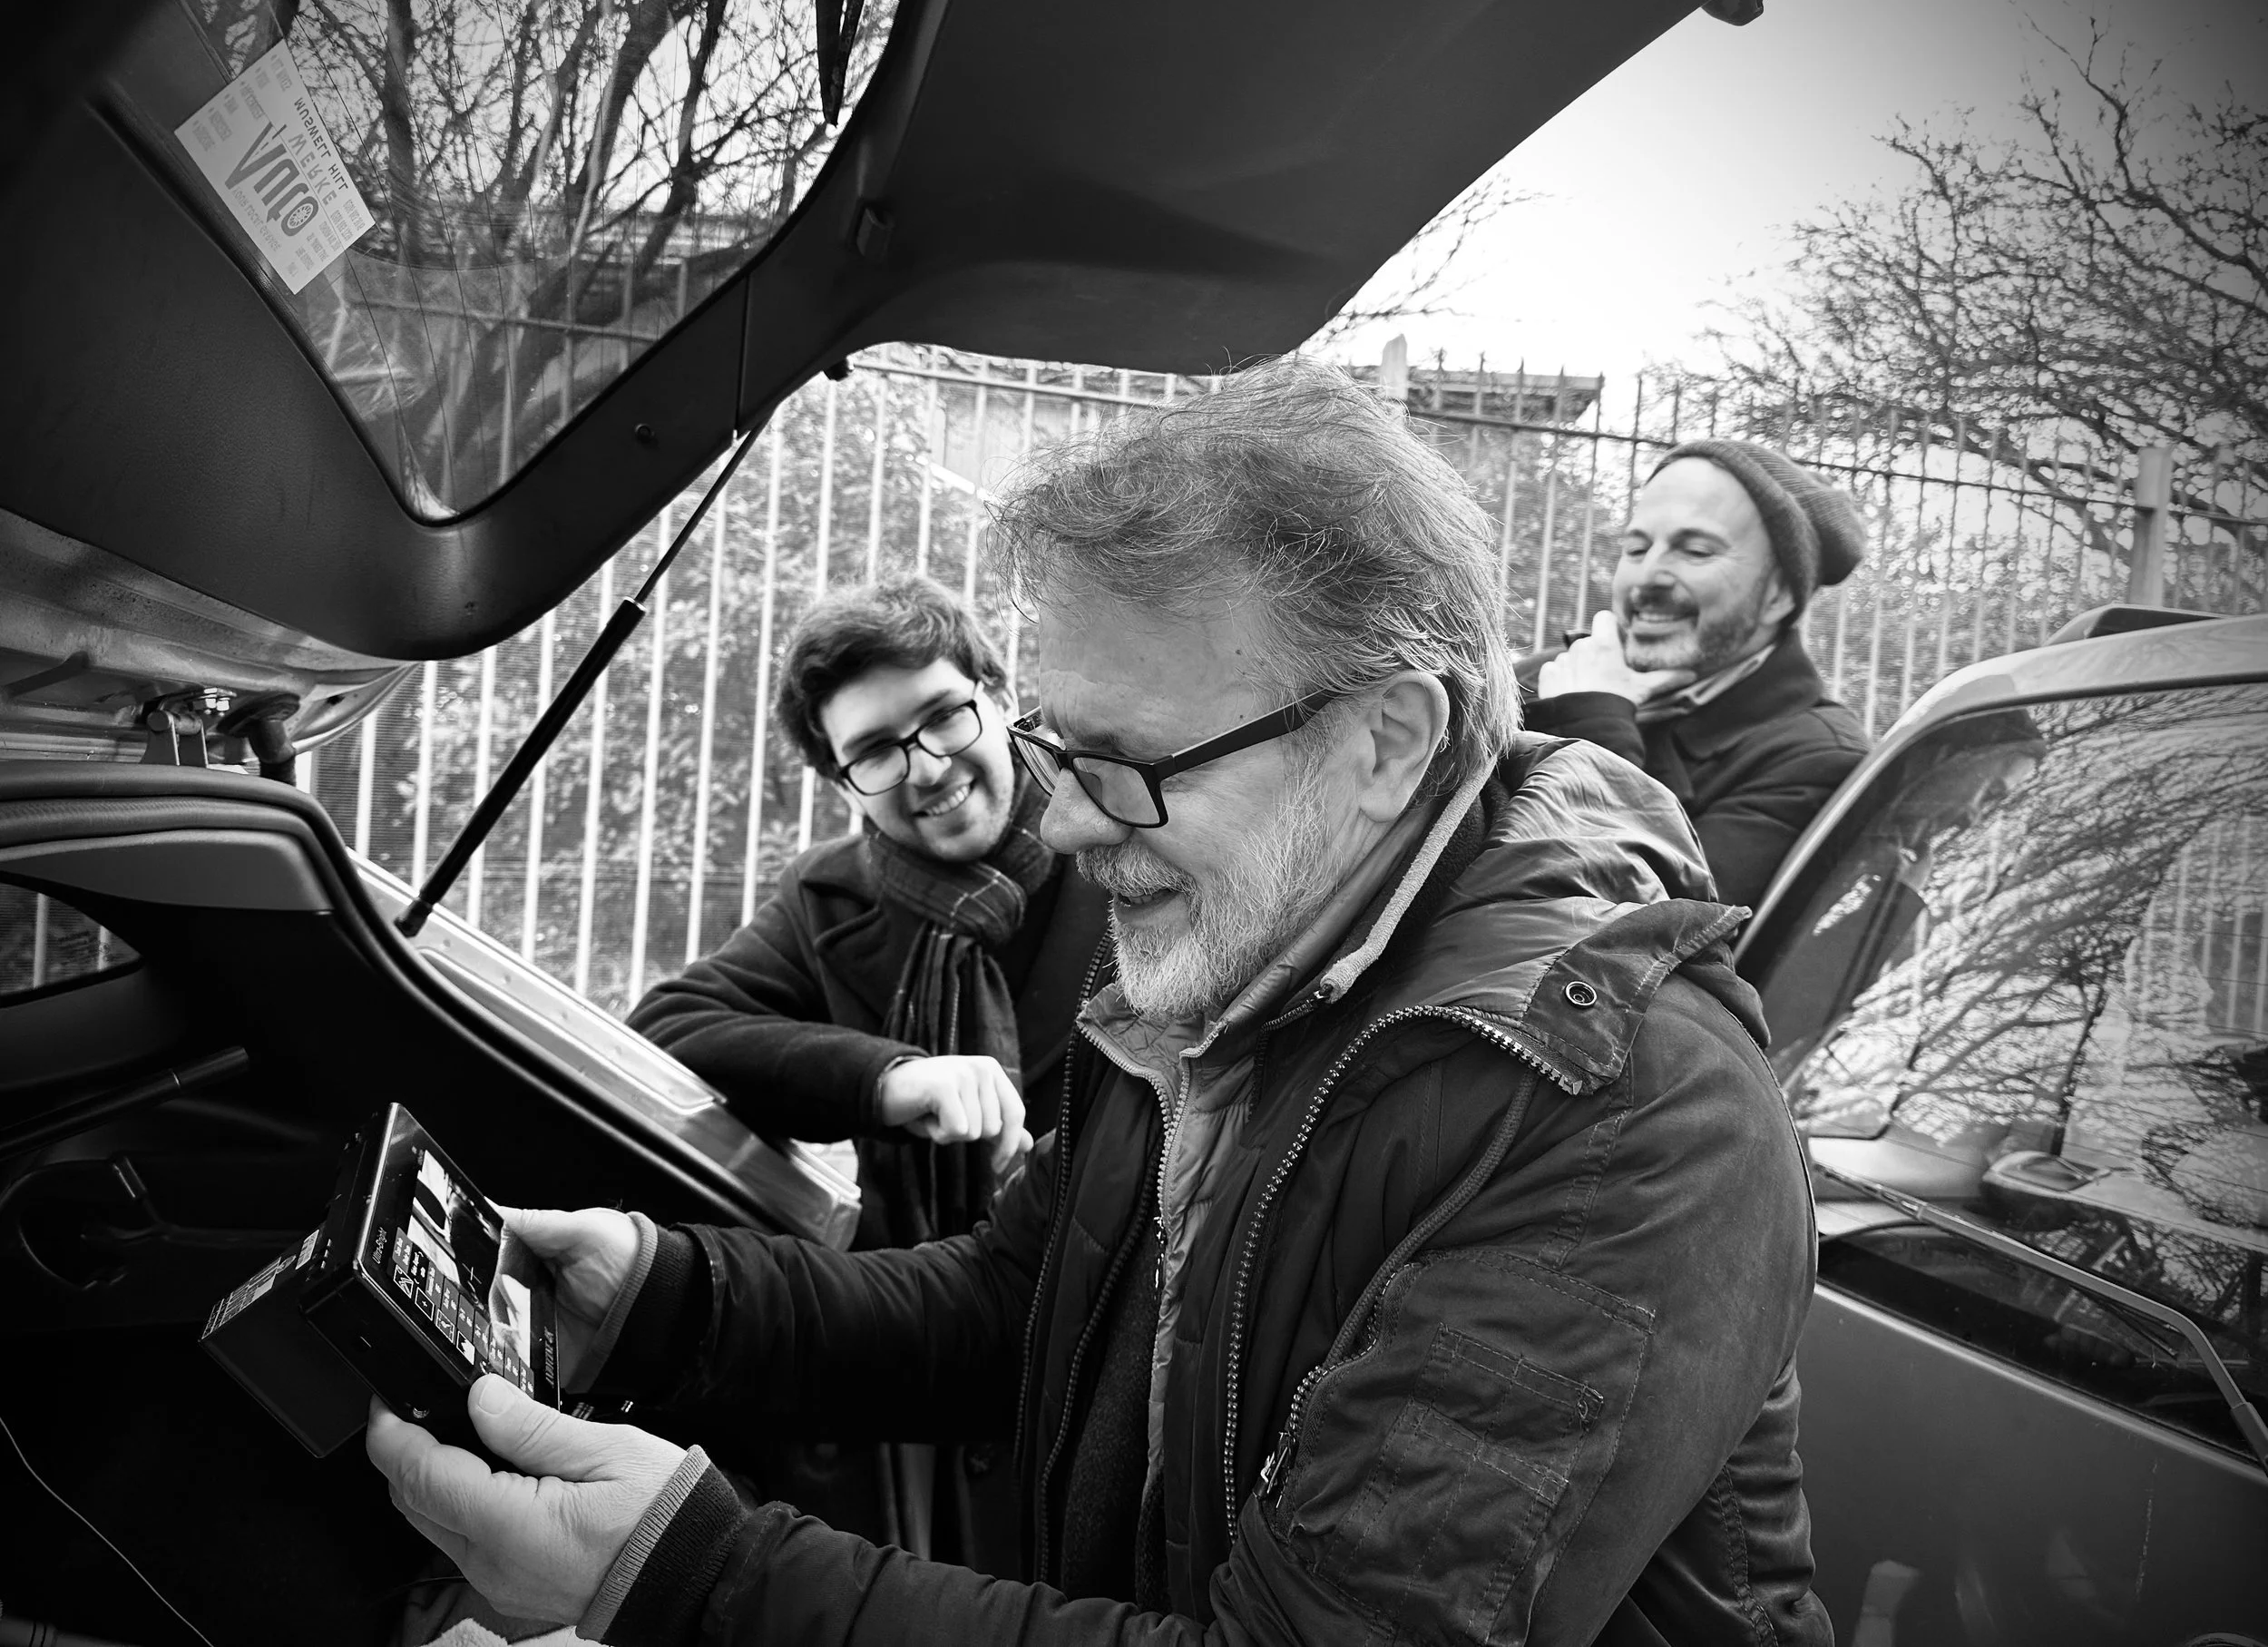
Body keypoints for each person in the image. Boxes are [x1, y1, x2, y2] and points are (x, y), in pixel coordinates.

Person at [367, 359, 1831, 1646]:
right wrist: (669, 1295)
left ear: (1391, 738)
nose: (1059, 825)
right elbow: (1017, 1300)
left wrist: (693, 1580)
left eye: (1125, 763)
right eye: (1055, 748)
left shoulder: (1619, 1119)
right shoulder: (1238, 974)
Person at [627, 575, 1109, 1573]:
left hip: (1105, 1340)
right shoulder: (829, 898)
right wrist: (892, 1078)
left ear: (993, 690)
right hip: (922, 1358)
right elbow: (672, 1025)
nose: (927, 767)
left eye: (942, 717)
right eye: (877, 752)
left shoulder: (1119, 834)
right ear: (843, 785)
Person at [1523, 436, 1871, 909]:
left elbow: (1651, 931)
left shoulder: (1816, 762)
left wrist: (1593, 720)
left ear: (1780, 596)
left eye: (1696, 552)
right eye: (1636, 548)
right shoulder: (1543, 677)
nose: (1648, 578)